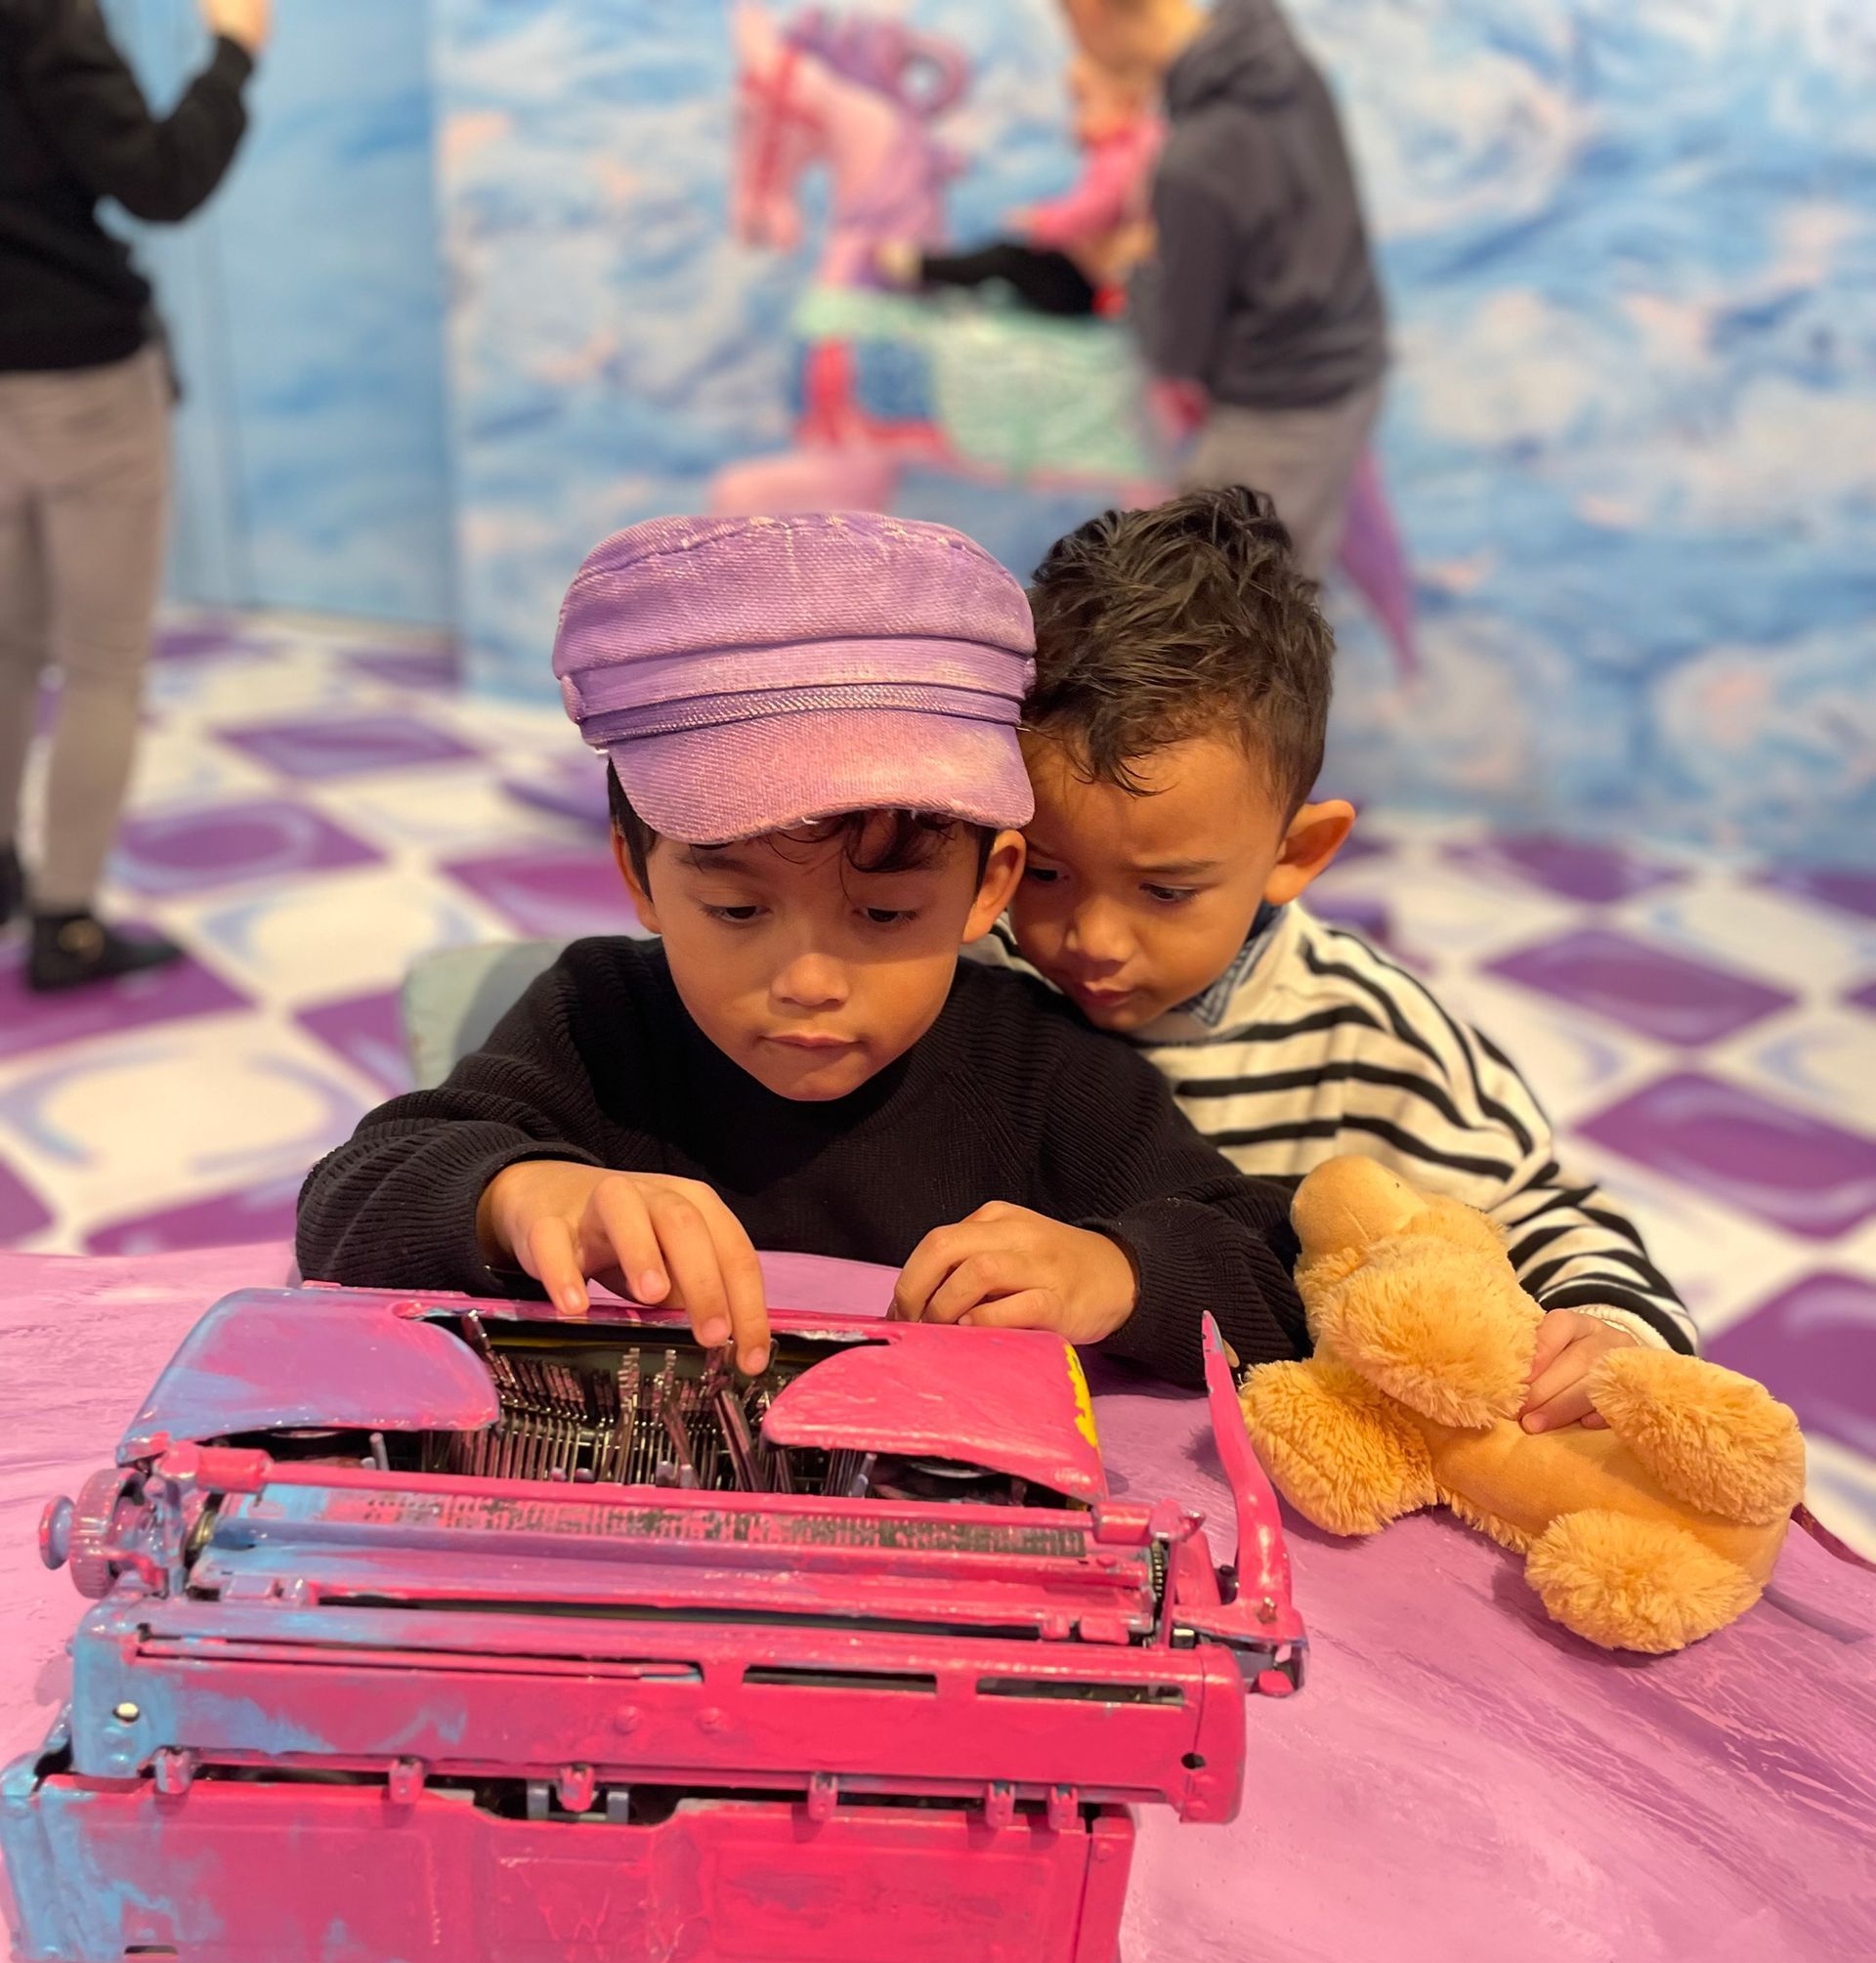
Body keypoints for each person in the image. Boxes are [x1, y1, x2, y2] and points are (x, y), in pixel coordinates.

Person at [296, 512, 1308, 1391]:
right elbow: (347, 1199)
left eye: (884, 916)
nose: (808, 983)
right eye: (738, 911)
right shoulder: (598, 1020)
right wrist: (520, 1198)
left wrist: (1117, 1273)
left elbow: (1275, 1278)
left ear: (987, 885)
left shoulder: (1049, 1075)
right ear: (641, 875)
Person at [986, 488, 1695, 1432]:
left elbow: (1545, 1214)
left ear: (1295, 855)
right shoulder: (976, 973)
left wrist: (1611, 1331)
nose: (1094, 940)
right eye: (1045, 870)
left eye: (1165, 891)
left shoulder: (1371, 1033)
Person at [0, 0, 268, 992]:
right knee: (102, 661)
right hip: (79, 374)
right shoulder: (42, 15)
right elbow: (161, 180)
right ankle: (65, 920)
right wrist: (234, 54)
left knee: (9, 641)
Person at [1059, 0, 1386, 579]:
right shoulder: (1281, 58)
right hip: (1351, 371)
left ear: (1090, 12)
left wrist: (1129, 271)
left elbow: (1177, 349)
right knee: (1291, 586)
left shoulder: (1194, 162)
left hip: (1275, 415)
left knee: (1210, 610)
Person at [879, 53, 1161, 320]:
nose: (1076, 116)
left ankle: (923, 266)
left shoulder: (1123, 156)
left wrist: (1042, 221)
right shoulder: (1122, 151)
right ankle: (929, 268)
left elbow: (1097, 206)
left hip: (1093, 285)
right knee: (1009, 258)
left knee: (1006, 258)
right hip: (1096, 277)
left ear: (1126, 105)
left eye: (1084, 103)